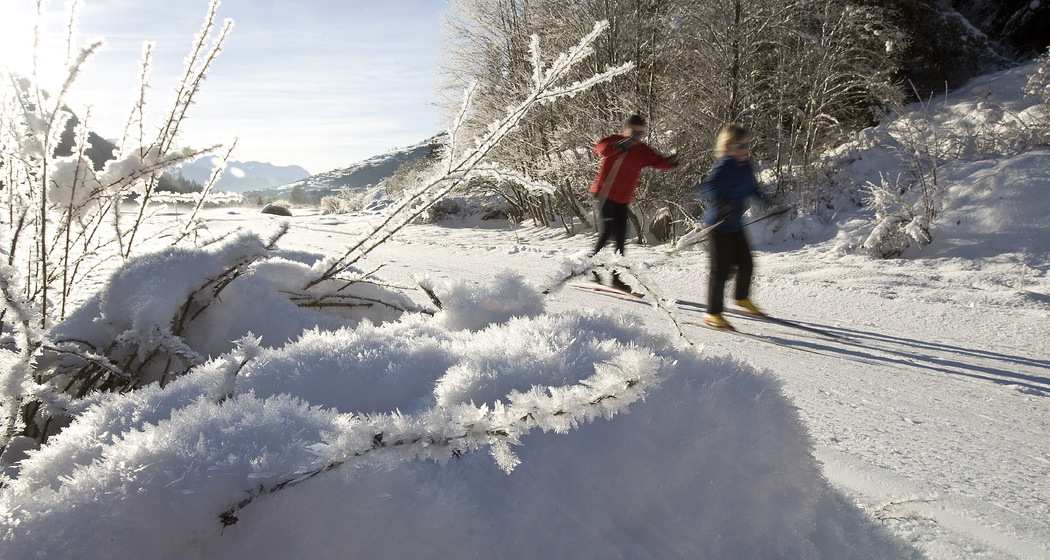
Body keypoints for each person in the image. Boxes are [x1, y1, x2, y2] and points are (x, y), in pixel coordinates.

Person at [589, 114, 678, 291]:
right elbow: (600, 148)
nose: (636, 137)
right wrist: (617, 146)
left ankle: (615, 277)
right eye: (633, 133)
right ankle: (591, 269)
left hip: (622, 199)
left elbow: (657, 161)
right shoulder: (614, 141)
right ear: (626, 130)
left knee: (621, 236)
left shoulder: (641, 150)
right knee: (607, 233)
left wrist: (670, 162)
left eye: (640, 134)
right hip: (604, 194)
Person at [697, 124, 769, 329]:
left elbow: (752, 187)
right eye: (739, 145)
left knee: (747, 263)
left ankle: (741, 297)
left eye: (747, 145)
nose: (745, 150)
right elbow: (705, 190)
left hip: (735, 224)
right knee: (720, 270)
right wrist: (722, 202)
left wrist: (765, 200)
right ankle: (712, 313)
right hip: (718, 225)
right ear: (727, 147)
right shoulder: (724, 167)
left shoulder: (746, 166)